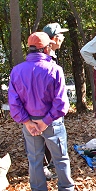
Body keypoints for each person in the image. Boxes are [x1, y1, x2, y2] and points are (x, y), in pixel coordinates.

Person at [8, 32, 75, 191]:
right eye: (50, 46)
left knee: (35, 160)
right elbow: (61, 103)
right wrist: (45, 122)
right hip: (52, 122)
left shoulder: (17, 71)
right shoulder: (54, 69)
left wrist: (27, 122)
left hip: (30, 123)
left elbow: (14, 103)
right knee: (60, 158)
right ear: (46, 49)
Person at [41, 22, 69, 180]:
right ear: (54, 39)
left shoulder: (51, 57)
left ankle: (49, 162)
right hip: (47, 111)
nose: (63, 38)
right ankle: (44, 166)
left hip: (52, 110)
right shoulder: (45, 59)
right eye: (61, 35)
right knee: (45, 139)